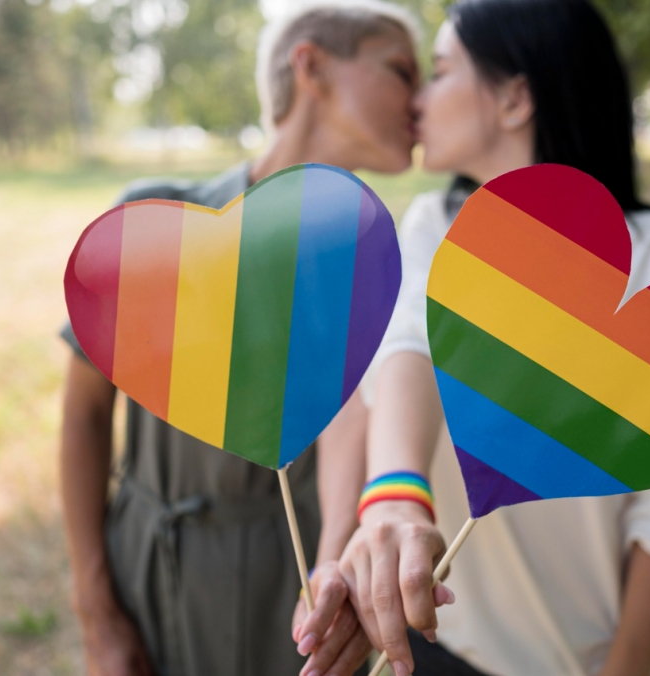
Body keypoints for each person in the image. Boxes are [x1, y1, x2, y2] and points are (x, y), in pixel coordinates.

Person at [295, 1, 650, 674]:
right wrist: (396, 496)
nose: (418, 99)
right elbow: (408, 344)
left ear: (516, 96)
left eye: (438, 73)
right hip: (437, 641)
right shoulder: (435, 223)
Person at [58, 3, 420, 675]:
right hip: (148, 569)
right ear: (310, 66)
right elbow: (83, 414)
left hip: (290, 586)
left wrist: (333, 557)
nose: (421, 98)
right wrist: (95, 608)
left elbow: (351, 421)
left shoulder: (363, 262)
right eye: (402, 70)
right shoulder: (155, 220)